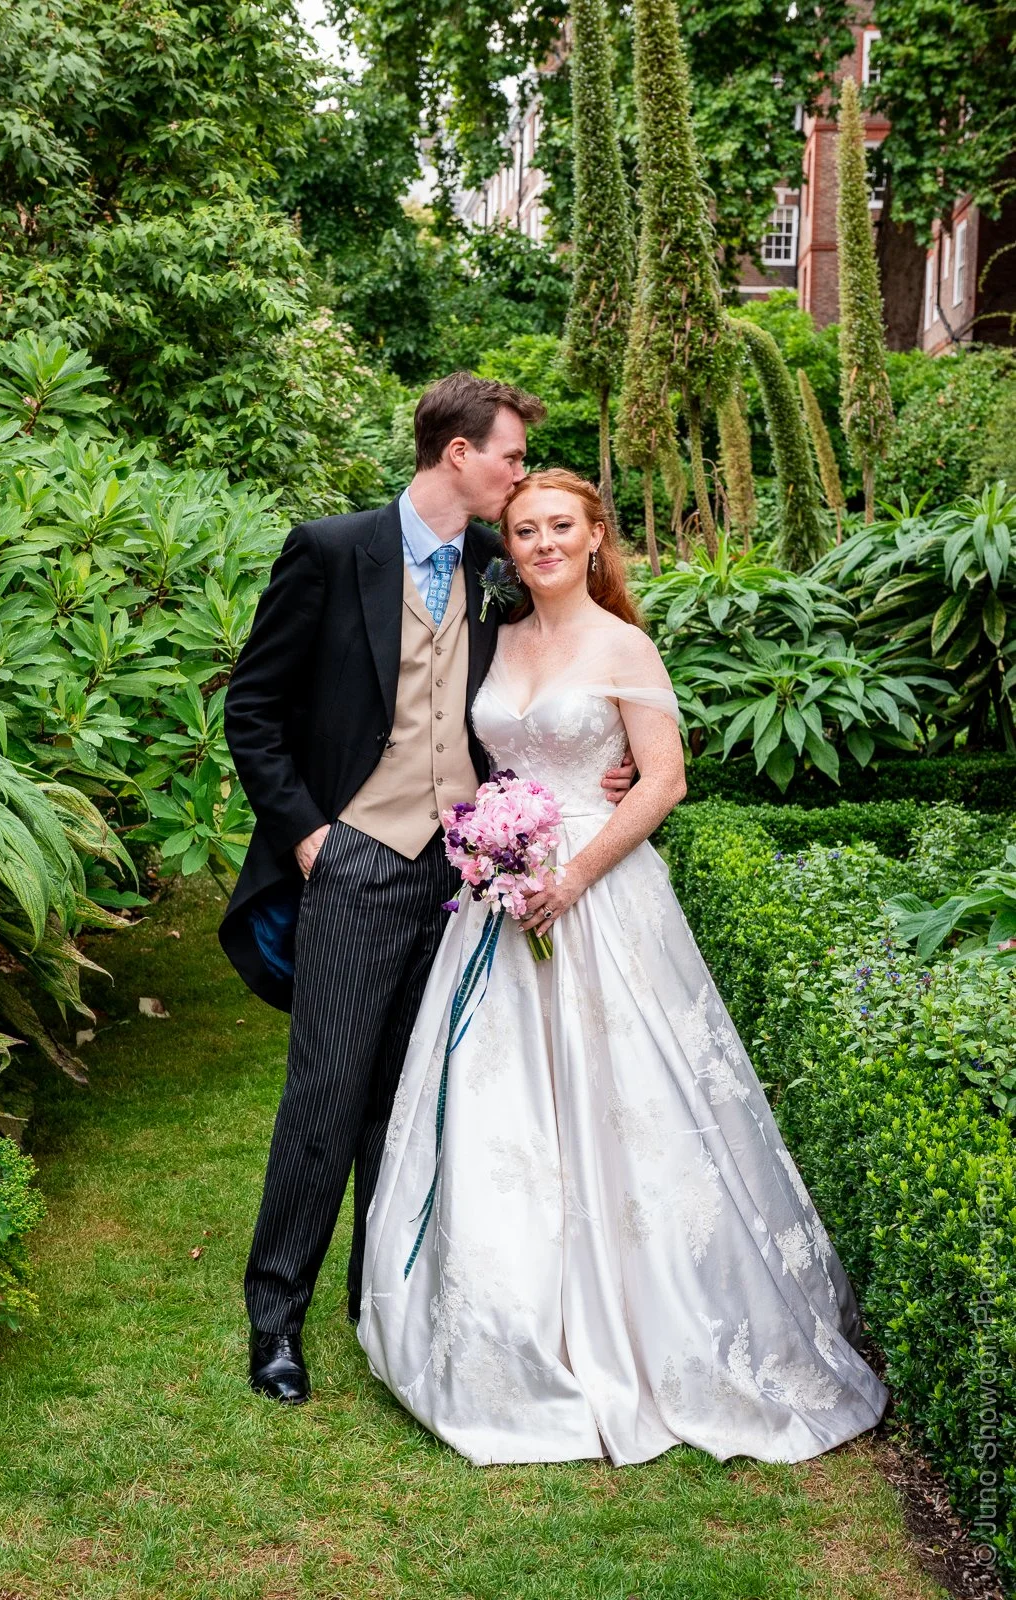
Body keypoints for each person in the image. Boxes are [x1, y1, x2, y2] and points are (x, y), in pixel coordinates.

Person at [358, 468, 890, 1466]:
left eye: (561, 525)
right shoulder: (499, 639)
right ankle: (510, 1322)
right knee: (498, 1111)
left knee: (630, 1102)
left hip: (602, 897)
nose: (543, 542)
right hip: (501, 900)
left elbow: (664, 777)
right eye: (524, 529)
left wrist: (574, 875)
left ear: (597, 536)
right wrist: (489, 840)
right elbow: (484, 760)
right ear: (507, 546)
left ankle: (650, 1327)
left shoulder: (623, 644)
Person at [220, 379, 637, 1404]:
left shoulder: (498, 567)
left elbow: (579, 663)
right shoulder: (330, 549)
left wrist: (611, 768)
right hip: (356, 855)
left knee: (410, 1104)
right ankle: (276, 1322)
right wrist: (313, 836)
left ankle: (379, 1303)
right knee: (325, 1094)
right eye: (508, 458)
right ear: (457, 454)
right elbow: (254, 709)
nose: (518, 476)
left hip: (461, 875)